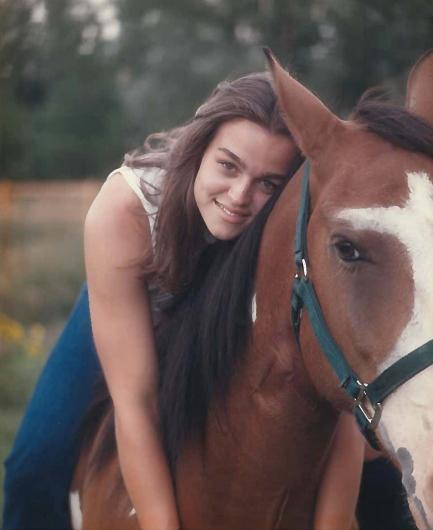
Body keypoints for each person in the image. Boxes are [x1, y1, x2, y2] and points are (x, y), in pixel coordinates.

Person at [3, 70, 368, 530]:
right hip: (136, 302)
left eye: (268, 184)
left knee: (377, 454)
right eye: (228, 165)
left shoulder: (295, 233)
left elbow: (333, 389)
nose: (239, 197)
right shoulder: (127, 209)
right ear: (199, 151)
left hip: (231, 318)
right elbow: (136, 400)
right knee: (34, 466)